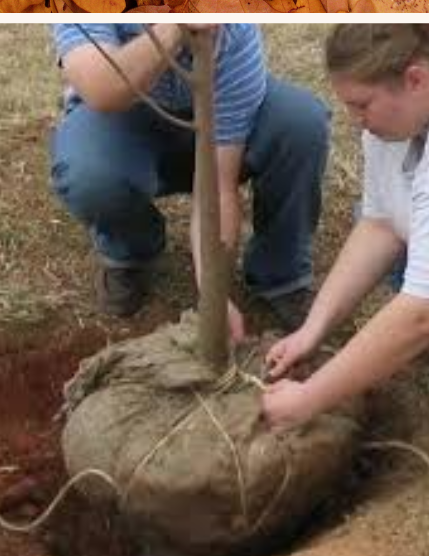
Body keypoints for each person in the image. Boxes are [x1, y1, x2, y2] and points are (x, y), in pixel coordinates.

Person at [263, 24, 429, 471]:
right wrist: (313, 331)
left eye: (361, 105)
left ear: (415, 79)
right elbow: (383, 225)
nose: (354, 119)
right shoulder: (414, 101)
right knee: (416, 234)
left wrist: (308, 399)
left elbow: (427, 313)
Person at [50, 23, 329, 335]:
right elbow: (104, 91)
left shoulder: (230, 26)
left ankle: (280, 271)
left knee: (300, 123)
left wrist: (213, 295)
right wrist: (174, 28)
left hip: (212, 117)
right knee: (89, 173)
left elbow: (218, 187)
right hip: (124, 120)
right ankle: (131, 250)